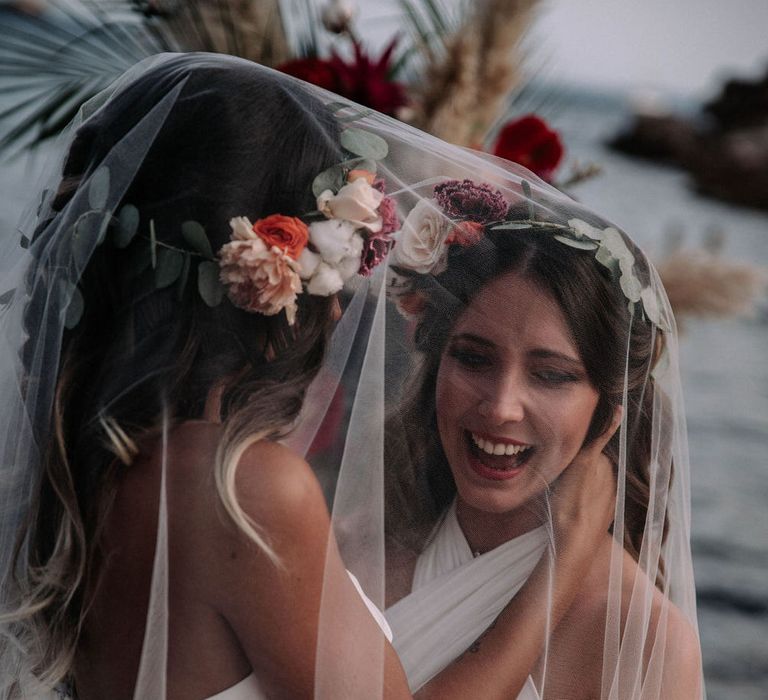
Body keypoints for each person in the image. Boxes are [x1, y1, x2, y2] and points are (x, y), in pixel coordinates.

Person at [0, 51, 703, 699]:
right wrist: (570, 551)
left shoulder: (84, 466)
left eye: (551, 374)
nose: (340, 303)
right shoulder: (246, 490)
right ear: (262, 275)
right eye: (472, 356)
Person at [383, 190, 704, 698]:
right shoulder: (359, 551)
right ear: (436, 358)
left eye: (551, 375)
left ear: (608, 407)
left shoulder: (643, 642)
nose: (501, 407)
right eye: (473, 358)